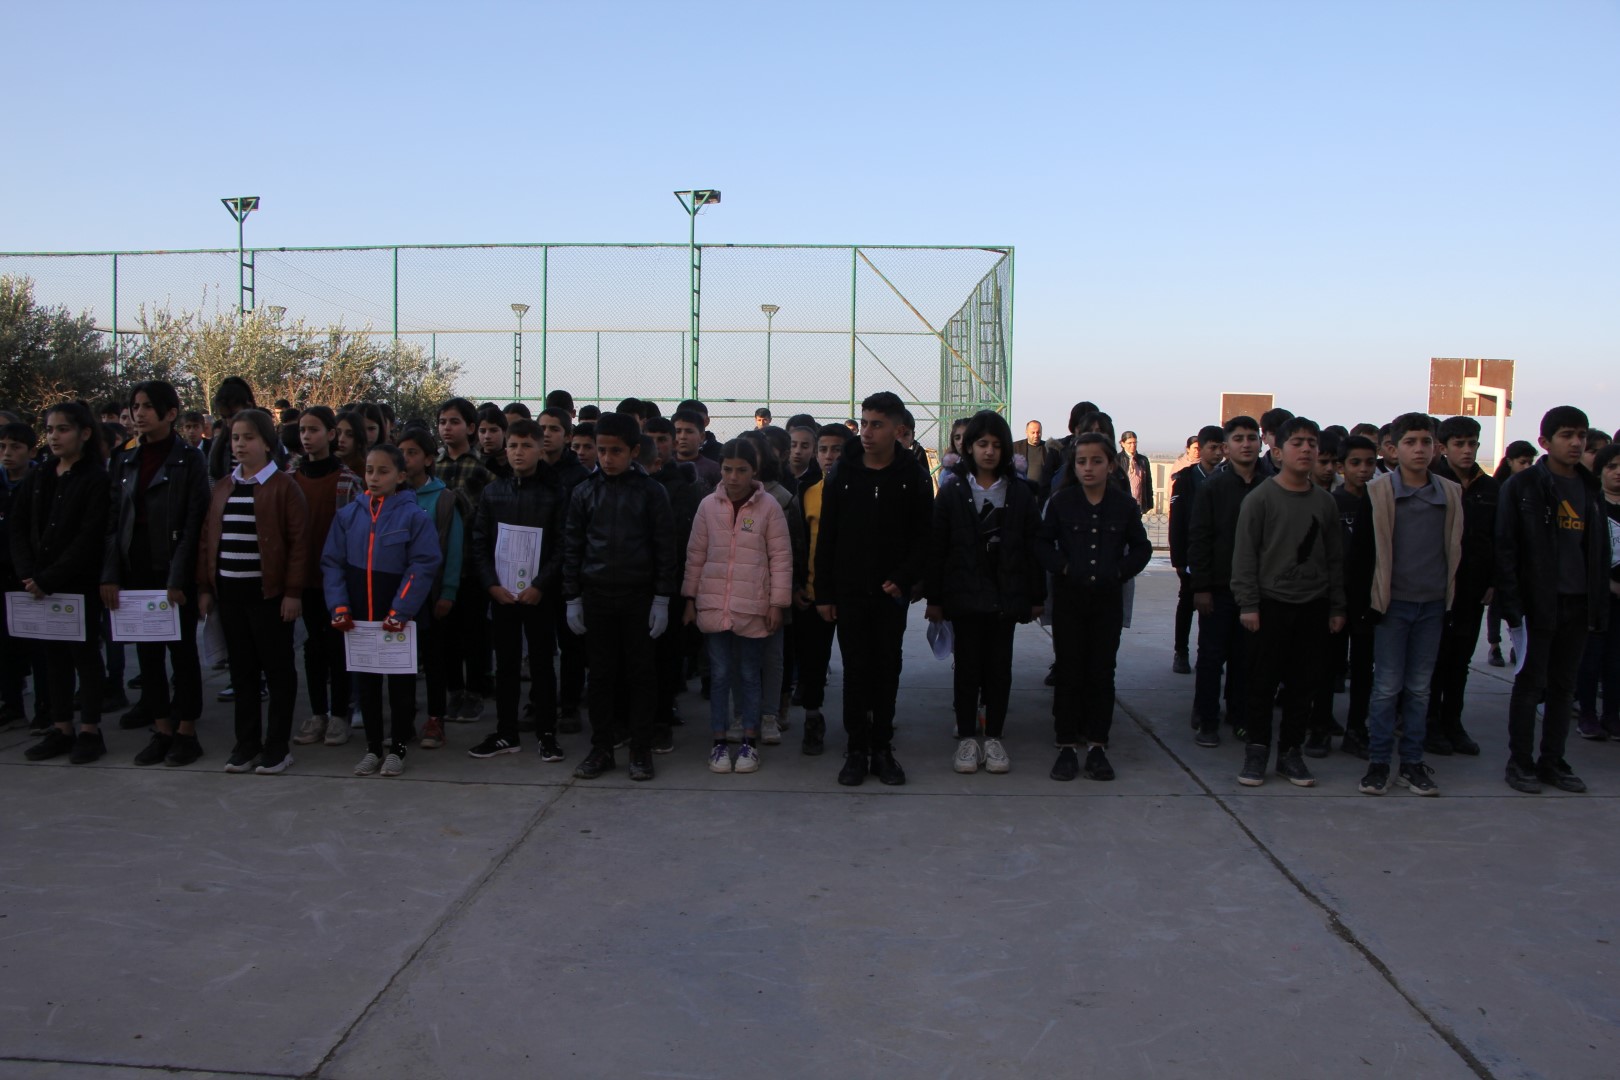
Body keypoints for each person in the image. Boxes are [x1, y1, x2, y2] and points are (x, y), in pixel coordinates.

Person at [815, 391, 933, 787]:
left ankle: (882, 748)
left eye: (876, 425)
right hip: (849, 592)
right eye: (864, 423)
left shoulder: (913, 476)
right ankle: (855, 750)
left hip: (890, 595)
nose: (866, 432)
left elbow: (924, 536)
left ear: (898, 430)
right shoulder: (842, 473)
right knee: (855, 670)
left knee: (886, 669)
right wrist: (825, 593)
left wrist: (904, 576)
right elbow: (828, 537)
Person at [1497, 406, 1609, 794]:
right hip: (1537, 602)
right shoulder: (1524, 486)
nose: (1576, 443)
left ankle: (1553, 760)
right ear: (1545, 442)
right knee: (1530, 685)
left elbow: (1598, 550)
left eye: (1581, 435)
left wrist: (1598, 603)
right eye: (1566, 435)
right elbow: (1506, 547)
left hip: (1579, 602)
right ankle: (1520, 761)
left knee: (1564, 687)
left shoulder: (1590, 488)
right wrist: (1513, 606)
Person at [1229, 417, 1345, 788]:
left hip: (1313, 606)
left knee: (1303, 685)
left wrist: (1337, 606)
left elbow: (1334, 558)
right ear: (1277, 452)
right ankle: (1257, 751)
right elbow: (1245, 556)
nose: (1306, 449)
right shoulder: (1260, 499)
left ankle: (1291, 753)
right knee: (1261, 684)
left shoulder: (1325, 502)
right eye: (1297, 443)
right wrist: (1248, 604)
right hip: (1269, 605)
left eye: (1312, 443)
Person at [563, 411, 679, 782]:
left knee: (641, 674)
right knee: (600, 676)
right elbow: (572, 547)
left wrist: (662, 598)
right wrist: (572, 597)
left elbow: (665, 548)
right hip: (596, 596)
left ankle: (640, 749)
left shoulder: (651, 492)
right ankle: (601, 748)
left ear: (634, 451)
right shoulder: (584, 492)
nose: (607, 458)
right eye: (602, 450)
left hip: (638, 598)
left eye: (616, 451)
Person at [927, 410, 1044, 776]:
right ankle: (967, 738)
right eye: (982, 444)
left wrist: (1036, 596)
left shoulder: (1020, 493)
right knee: (967, 669)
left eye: (996, 445)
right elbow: (938, 547)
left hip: (1005, 596)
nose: (989, 451)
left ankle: (993, 736)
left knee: (999, 669)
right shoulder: (953, 491)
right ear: (969, 448)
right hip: (964, 596)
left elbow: (1033, 547)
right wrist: (935, 599)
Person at [101, 381, 209, 766]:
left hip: (172, 568)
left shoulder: (189, 459)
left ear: (170, 413)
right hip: (136, 569)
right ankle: (162, 728)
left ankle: (186, 732)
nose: (139, 413)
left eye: (148, 406)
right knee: (147, 655)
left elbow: (194, 522)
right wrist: (110, 574)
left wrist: (178, 578)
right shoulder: (125, 459)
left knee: (182, 654)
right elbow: (113, 520)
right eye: (135, 406)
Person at [196, 408, 309, 775]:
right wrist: (205, 587)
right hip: (230, 595)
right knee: (242, 673)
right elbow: (207, 539)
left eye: (249, 438)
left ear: (267, 442)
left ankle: (277, 745)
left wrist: (292, 592)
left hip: (270, 597)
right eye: (235, 438)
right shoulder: (223, 487)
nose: (240, 445)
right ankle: (246, 743)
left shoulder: (284, 487)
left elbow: (299, 544)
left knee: (278, 672)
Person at [1353, 413, 1460, 796]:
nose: (1419, 449)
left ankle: (1412, 763)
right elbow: (1362, 554)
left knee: (1419, 688)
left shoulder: (1449, 493)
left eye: (1426, 442)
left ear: (1436, 448)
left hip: (1432, 605)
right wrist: (1366, 605)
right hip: (1392, 605)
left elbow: (1456, 549)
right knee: (1386, 687)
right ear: (1393, 449)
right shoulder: (1378, 492)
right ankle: (1379, 762)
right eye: (1411, 442)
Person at [323, 443, 441, 777]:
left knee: (402, 686)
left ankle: (398, 748)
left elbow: (424, 563)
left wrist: (400, 610)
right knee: (366, 685)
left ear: (401, 476)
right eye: (370, 470)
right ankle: (373, 747)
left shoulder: (414, 516)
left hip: (397, 619)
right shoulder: (348, 516)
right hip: (359, 619)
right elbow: (332, 563)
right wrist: (339, 606)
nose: (374, 477)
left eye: (383, 471)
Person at [1036, 433, 1150, 781]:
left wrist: (1118, 571)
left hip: (1106, 601)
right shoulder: (1061, 503)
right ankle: (1067, 745)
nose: (1088, 468)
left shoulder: (1123, 506)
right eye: (1081, 461)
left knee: (1101, 672)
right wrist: (1064, 568)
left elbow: (1141, 548)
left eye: (1096, 461)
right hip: (1070, 600)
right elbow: (1042, 544)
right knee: (1069, 671)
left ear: (1110, 465)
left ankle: (1098, 745)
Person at [683, 437, 792, 774]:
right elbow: (695, 555)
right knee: (719, 675)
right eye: (728, 469)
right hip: (714, 604)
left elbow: (781, 558)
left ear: (754, 470)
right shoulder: (707, 507)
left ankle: (749, 742)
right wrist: (690, 599)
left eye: (741, 470)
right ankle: (719, 742)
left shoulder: (769, 507)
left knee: (749, 674)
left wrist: (777, 604)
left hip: (753, 606)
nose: (733, 477)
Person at [12, 403, 112, 763]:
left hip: (77, 583)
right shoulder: (40, 474)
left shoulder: (95, 478)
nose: (54, 436)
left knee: (85, 656)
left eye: (63, 429)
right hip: (38, 584)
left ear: (84, 433)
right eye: (50, 429)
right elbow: (18, 525)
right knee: (53, 658)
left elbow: (89, 537)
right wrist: (29, 574)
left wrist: (50, 578)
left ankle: (89, 730)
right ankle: (61, 727)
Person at [465, 419, 567, 763]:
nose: (518, 452)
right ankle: (506, 732)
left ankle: (547, 733)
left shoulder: (555, 493)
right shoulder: (493, 492)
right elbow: (480, 542)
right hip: (503, 593)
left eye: (526, 445)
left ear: (540, 449)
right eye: (512, 446)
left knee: (542, 663)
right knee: (506, 664)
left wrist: (540, 585)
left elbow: (563, 545)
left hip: (539, 596)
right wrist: (491, 584)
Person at [1187, 415, 1264, 746]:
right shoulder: (1213, 487)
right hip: (1218, 588)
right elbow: (1199, 538)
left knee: (1247, 659)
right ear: (1226, 447)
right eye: (1238, 438)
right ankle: (1207, 720)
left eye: (1252, 438)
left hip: (1257, 590)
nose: (1246, 444)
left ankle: (1240, 715)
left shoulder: (1270, 486)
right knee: (1211, 657)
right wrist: (1201, 587)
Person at [289, 405, 363, 750]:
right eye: (303, 430)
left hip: (336, 582)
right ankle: (318, 713)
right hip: (302, 579)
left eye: (314, 430)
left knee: (337, 647)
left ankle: (339, 715)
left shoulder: (348, 481)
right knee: (312, 647)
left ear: (331, 435)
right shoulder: (290, 479)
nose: (307, 436)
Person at [1424, 415, 1497, 756]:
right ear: (1443, 447)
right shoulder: (1431, 484)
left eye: (1472, 444)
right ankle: (1429, 724)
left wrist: (1494, 581)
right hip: (1436, 587)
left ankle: (1453, 722)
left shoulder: (1491, 488)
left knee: (1460, 661)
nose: (1467, 451)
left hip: (1473, 589)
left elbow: (1499, 539)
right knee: (1435, 660)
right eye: (1459, 444)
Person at [397, 427, 465, 752]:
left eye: (412, 452)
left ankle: (436, 719)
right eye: (401, 452)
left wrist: (448, 591)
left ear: (428, 459)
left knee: (435, 658)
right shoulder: (391, 496)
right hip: (398, 597)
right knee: (402, 662)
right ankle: (404, 720)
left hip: (431, 594)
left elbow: (454, 549)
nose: (405, 459)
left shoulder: (444, 499)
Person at [434, 397, 496, 721]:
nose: (447, 428)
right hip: (440, 565)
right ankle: (454, 690)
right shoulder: (434, 467)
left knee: (474, 632)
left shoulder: (481, 469)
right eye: (443, 422)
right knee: (446, 633)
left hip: (472, 564)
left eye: (455, 422)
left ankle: (475, 691)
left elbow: (489, 516)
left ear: (471, 428)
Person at [792, 424, 849, 756]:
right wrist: (797, 585)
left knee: (859, 664)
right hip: (814, 595)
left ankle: (862, 723)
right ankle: (812, 718)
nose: (830, 456)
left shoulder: (861, 492)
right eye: (824, 450)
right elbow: (798, 544)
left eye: (837, 449)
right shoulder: (807, 492)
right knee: (813, 663)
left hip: (852, 595)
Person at [1330, 435, 1379, 758]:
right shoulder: (1331, 503)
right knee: (1328, 667)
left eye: (1369, 463)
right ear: (1341, 467)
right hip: (1335, 598)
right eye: (1355, 463)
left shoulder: (1380, 503)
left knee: (1363, 670)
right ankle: (1320, 725)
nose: (1363, 470)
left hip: (1368, 600)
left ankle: (1357, 728)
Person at [1167, 425, 1224, 674]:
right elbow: (1176, 521)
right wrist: (1178, 559)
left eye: (1221, 447)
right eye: (1213, 447)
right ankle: (1181, 651)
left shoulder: (1227, 477)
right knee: (1187, 603)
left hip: (1217, 555)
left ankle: (1210, 655)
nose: (1218, 453)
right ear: (1201, 449)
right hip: (1191, 553)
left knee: (1214, 608)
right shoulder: (1186, 480)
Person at [1575, 442, 1620, 739]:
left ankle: (1612, 715)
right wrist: (1608, 584)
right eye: (1611, 466)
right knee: (1591, 659)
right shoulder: (1590, 505)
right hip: (1596, 597)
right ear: (1600, 471)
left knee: (1616, 660)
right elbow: (1581, 553)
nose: (1618, 473)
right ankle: (1587, 714)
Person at [1486, 440, 1539, 665]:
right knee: (1497, 604)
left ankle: (1518, 644)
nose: (1526, 467)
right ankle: (1494, 645)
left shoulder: (1534, 487)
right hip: (1501, 555)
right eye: (1522, 462)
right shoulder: (1499, 487)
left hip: (1522, 556)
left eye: (1530, 462)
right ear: (1510, 461)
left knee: (1519, 605)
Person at [0, 421, 38, 730]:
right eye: (2, 447)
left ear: (31, 451)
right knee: (6, 648)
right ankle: (12, 705)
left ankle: (47, 710)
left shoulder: (41, 482)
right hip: (3, 575)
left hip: (32, 578)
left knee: (40, 650)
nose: (7, 453)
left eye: (15, 447)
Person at [672, 408, 721, 487]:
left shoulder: (714, 469)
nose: (683, 436)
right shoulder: (662, 467)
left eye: (689, 432)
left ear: (702, 437)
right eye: (678, 431)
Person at [1119, 431, 1154, 514]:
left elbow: (1148, 482)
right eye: (1129, 443)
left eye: (1135, 443)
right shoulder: (1117, 459)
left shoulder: (1143, 460)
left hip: (1138, 504)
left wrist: (1149, 503)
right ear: (1123, 444)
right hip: (1121, 504)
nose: (1133, 445)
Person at [475, 403, 512, 480]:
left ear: (504, 432)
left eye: (493, 430)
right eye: (482, 431)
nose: (487, 436)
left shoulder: (513, 460)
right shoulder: (472, 461)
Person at [334, 409, 369, 476]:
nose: (341, 439)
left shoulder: (365, 473)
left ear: (359, 440)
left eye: (350, 435)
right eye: (338, 433)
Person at [1021, 420, 1055, 489]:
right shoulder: (1015, 447)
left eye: (1038, 432)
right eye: (1033, 433)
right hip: (1022, 491)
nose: (1036, 435)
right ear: (1026, 432)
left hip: (1043, 491)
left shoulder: (1049, 449)